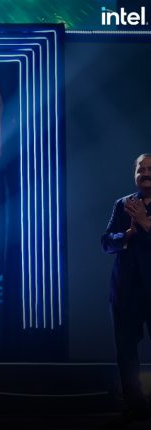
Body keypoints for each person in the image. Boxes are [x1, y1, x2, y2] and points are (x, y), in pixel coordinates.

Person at [101, 153, 151, 427]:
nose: (145, 173)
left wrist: (145, 223)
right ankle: (136, 407)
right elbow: (106, 243)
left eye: (150, 169)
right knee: (126, 352)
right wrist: (128, 233)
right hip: (125, 292)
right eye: (140, 169)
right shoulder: (123, 204)